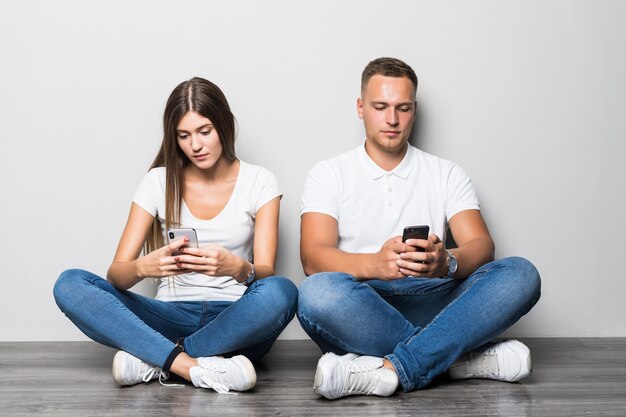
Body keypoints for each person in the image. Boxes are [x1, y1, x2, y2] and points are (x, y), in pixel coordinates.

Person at [297, 57, 541, 400]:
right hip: (365, 304)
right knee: (315, 294)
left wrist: (447, 263)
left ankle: (392, 369)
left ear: (415, 109)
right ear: (360, 107)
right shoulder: (329, 173)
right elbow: (312, 257)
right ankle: (459, 362)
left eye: (403, 108)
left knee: (522, 274)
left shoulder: (446, 172)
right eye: (380, 107)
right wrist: (375, 264)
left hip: (438, 301)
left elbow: (481, 245)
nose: (392, 119)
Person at [53, 77, 298, 394]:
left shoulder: (259, 181)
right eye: (184, 136)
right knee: (69, 283)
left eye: (204, 131)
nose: (195, 145)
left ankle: (156, 360)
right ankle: (192, 366)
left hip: (235, 321)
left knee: (283, 291)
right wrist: (144, 267)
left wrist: (236, 268)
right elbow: (116, 274)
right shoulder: (157, 181)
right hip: (169, 314)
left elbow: (265, 272)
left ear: (224, 125)